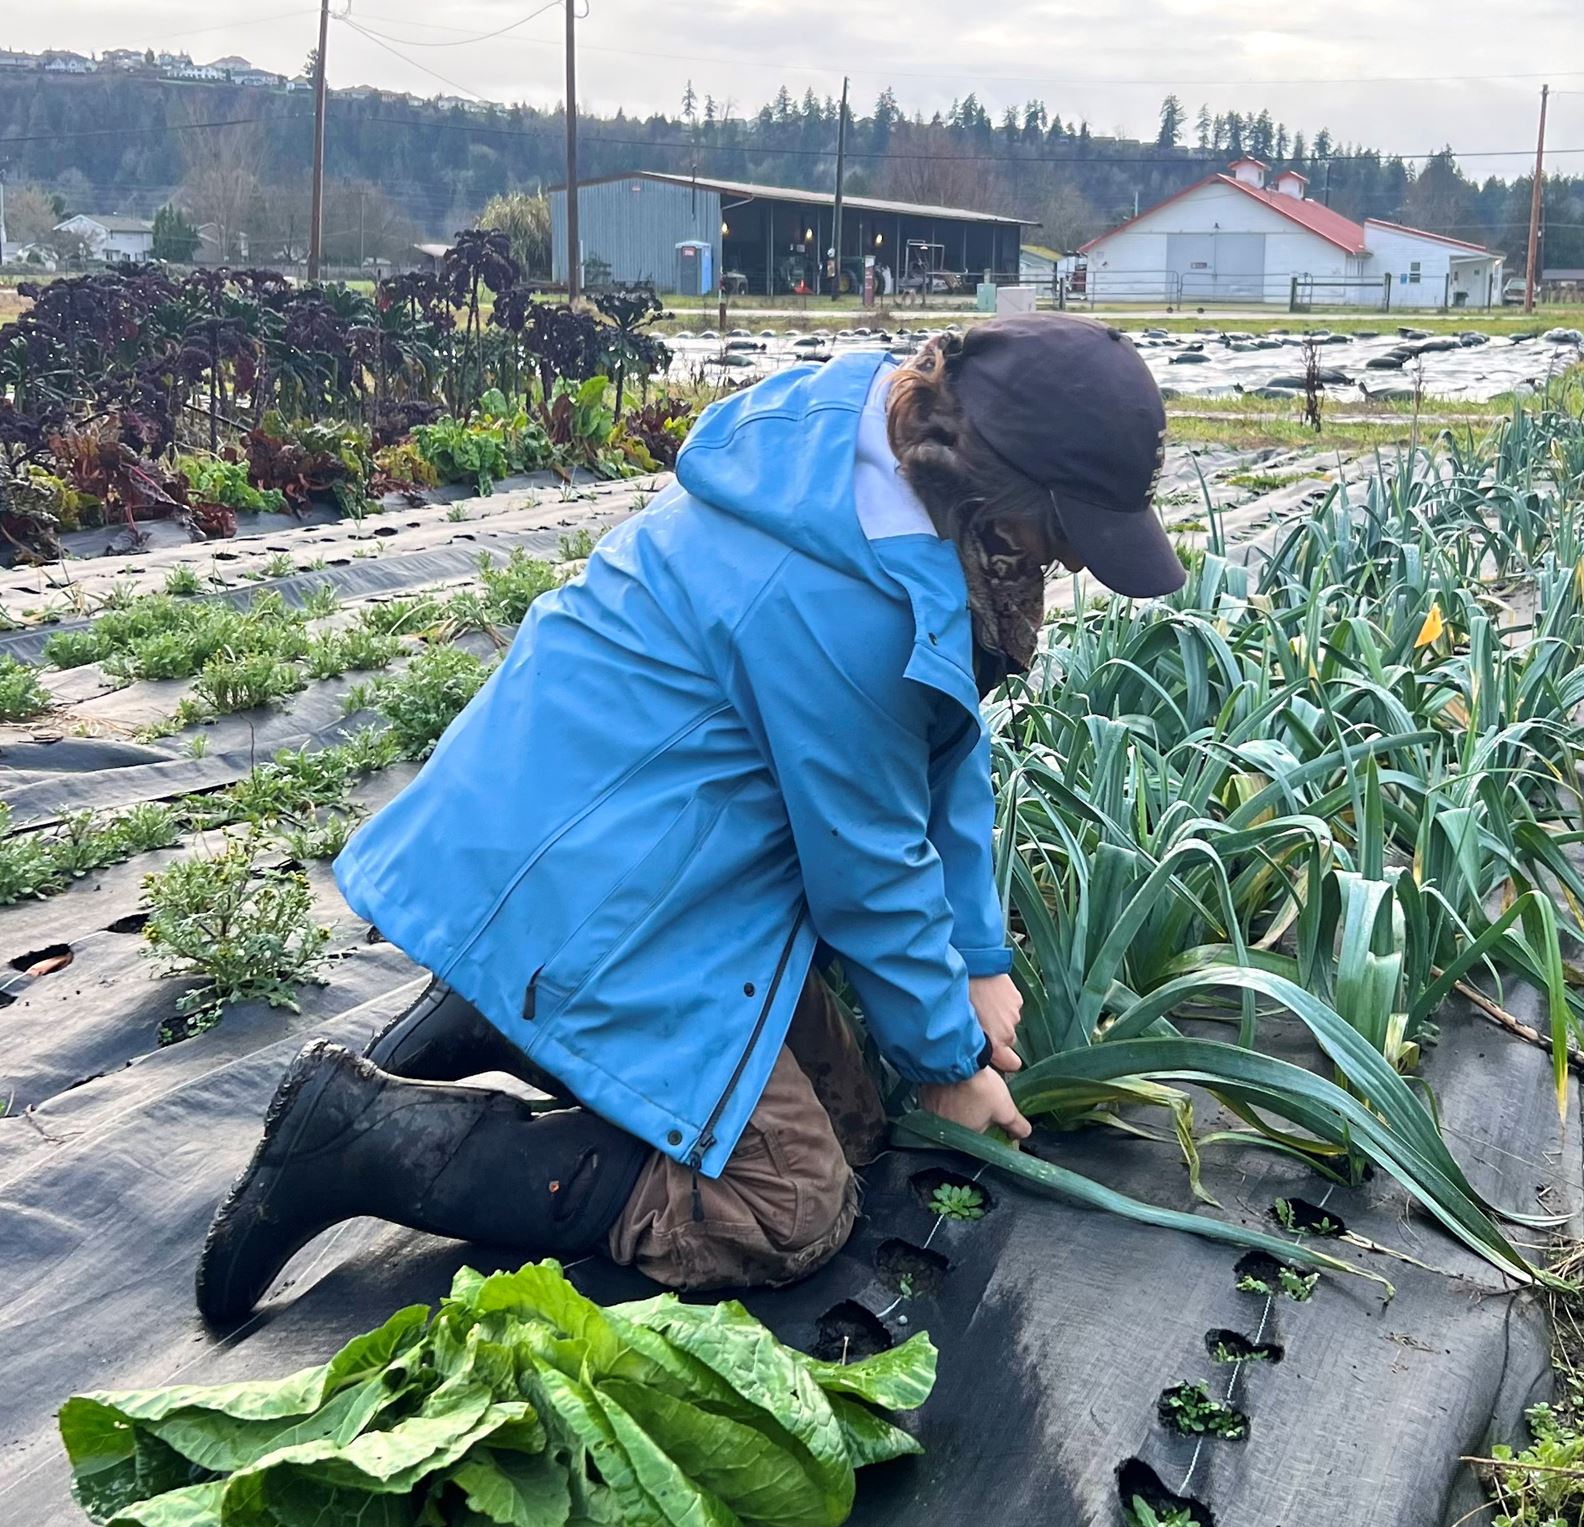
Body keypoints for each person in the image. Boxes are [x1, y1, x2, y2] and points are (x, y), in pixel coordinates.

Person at [196, 320, 1183, 1328]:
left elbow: (946, 742)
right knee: (788, 1204)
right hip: (601, 873)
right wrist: (947, 1064)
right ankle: (357, 1134)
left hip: (643, 837)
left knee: (855, 1124)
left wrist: (975, 954)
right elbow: (868, 871)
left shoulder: (882, 445)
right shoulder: (843, 605)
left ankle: (503, 1009)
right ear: (1002, 489)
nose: (1064, 564)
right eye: (1062, 534)